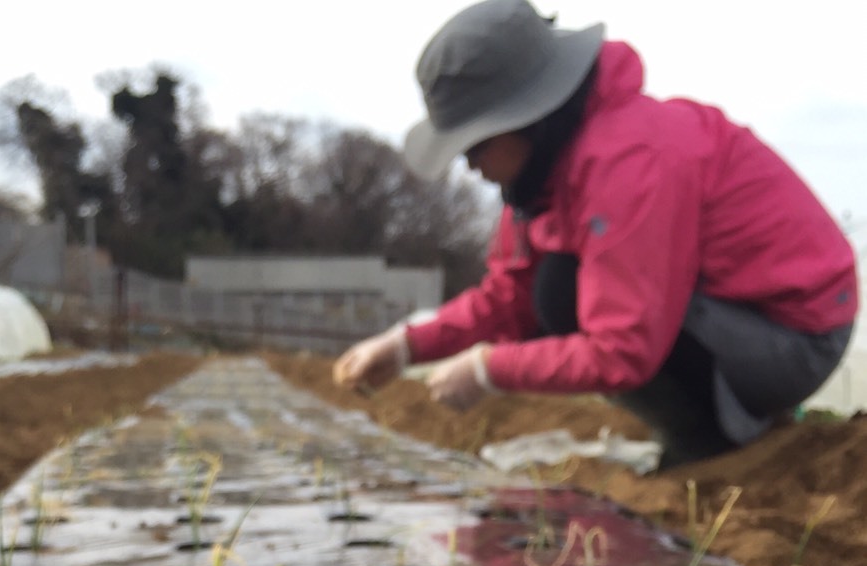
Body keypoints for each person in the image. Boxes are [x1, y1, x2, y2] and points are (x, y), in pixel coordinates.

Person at [333, 0, 858, 467]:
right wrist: (405, 346)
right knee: (550, 289)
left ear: (527, 118)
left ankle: (709, 445)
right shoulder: (546, 177)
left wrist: (489, 368)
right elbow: (508, 294)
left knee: (563, 294)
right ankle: (704, 429)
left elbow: (621, 349)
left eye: (475, 145)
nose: (469, 165)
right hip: (731, 319)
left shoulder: (630, 161)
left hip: (795, 339)